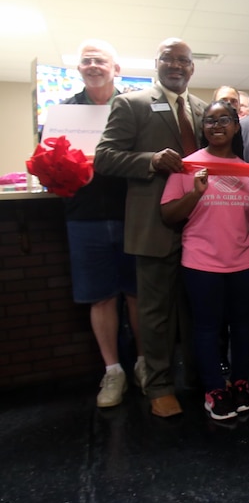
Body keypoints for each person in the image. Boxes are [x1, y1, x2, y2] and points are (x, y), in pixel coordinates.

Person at [95, 38, 207, 417]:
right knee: (156, 313)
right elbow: (104, 158)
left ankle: (198, 379)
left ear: (193, 68)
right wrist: (151, 160)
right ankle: (159, 385)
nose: (176, 66)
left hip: (201, 228)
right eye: (168, 59)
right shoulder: (132, 103)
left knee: (196, 310)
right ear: (155, 63)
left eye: (184, 61)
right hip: (154, 227)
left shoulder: (203, 110)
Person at [160, 101, 249, 421]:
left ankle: (240, 382)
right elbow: (168, 214)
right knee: (207, 328)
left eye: (224, 119)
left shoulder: (247, 170)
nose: (216, 125)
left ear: (237, 126)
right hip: (201, 262)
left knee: (245, 326)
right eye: (209, 120)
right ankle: (214, 389)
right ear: (202, 127)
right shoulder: (187, 166)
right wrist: (195, 193)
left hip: (243, 261)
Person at [62, 39, 143, 407]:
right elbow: (51, 164)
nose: (93, 65)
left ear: (116, 68)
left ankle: (145, 364)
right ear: (78, 68)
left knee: (138, 293)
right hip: (86, 216)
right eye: (86, 61)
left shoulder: (133, 107)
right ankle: (113, 372)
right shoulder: (64, 112)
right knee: (100, 296)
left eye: (100, 60)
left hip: (133, 213)